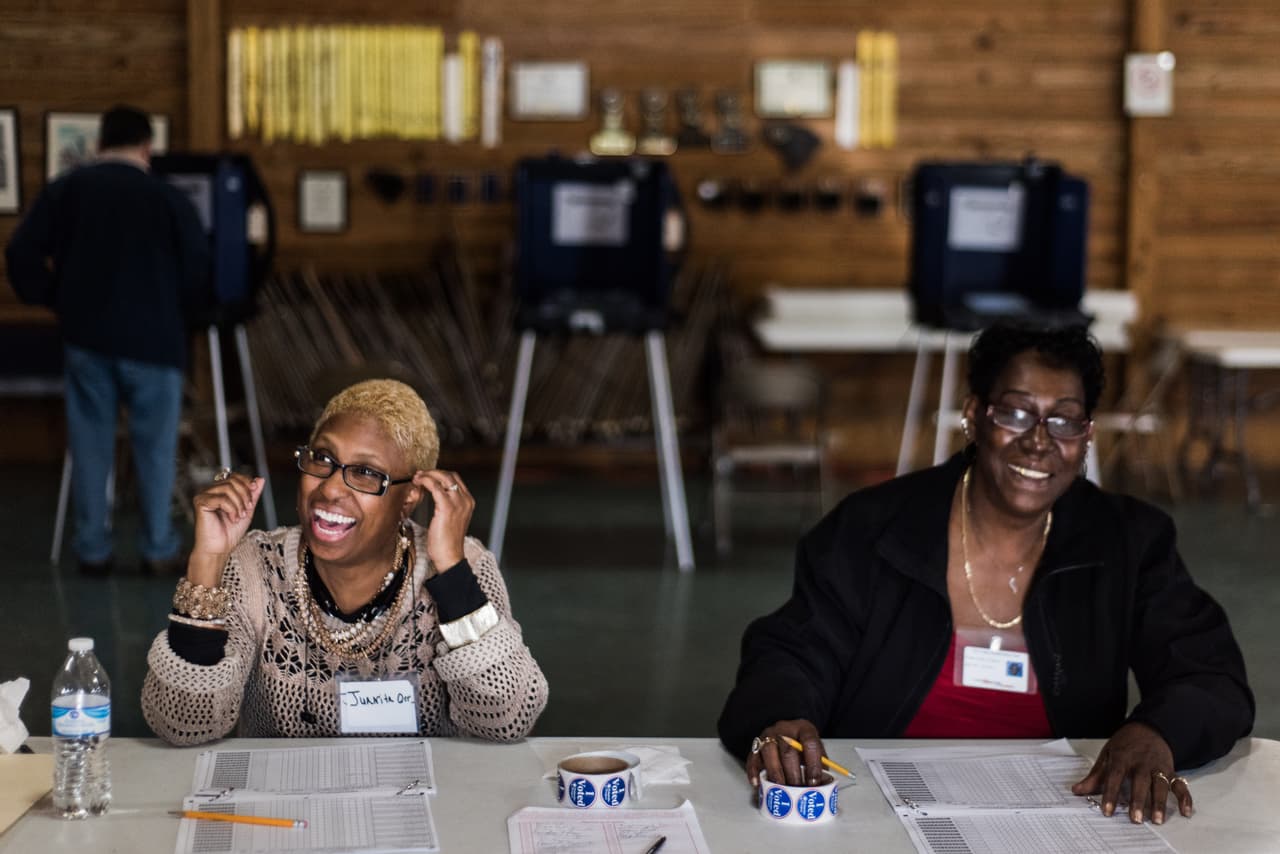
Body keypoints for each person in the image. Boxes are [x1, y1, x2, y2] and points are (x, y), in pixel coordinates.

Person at [718, 324, 1253, 825]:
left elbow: (1210, 674)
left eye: (1064, 419)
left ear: (1087, 435)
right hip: (878, 815)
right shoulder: (871, 528)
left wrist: (1157, 731)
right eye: (1016, 413)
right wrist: (783, 716)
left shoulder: (1127, 541)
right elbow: (792, 652)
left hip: (1060, 818)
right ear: (974, 415)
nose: (1039, 440)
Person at [141, 379, 549, 744]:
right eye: (322, 459)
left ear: (409, 497)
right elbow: (184, 724)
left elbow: (507, 719)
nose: (331, 489)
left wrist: (453, 573)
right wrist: (208, 562)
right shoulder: (255, 568)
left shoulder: (463, 564)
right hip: (285, 798)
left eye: (366, 472)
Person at [5, 104, 211, 577]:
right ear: (147, 148)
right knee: (155, 449)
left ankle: (93, 550)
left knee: (91, 445)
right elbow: (198, 269)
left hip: (87, 338)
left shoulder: (67, 189)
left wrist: (54, 296)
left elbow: (20, 252)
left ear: (99, 144)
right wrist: (178, 312)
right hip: (156, 342)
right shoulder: (167, 198)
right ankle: (158, 548)